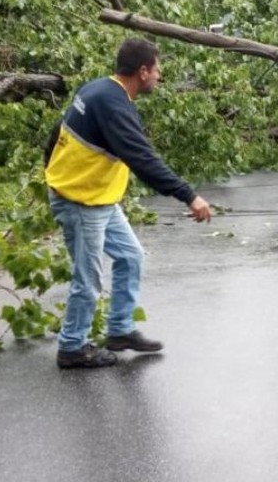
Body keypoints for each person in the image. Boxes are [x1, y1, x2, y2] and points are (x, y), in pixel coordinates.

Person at [44, 38, 213, 369]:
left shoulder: (97, 89)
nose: (159, 76)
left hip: (98, 198)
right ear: (143, 71)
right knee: (88, 277)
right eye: (157, 70)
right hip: (80, 201)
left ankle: (120, 330)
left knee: (130, 256)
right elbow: (142, 158)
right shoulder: (113, 105)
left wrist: (50, 170)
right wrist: (189, 195)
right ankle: (72, 347)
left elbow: (56, 132)